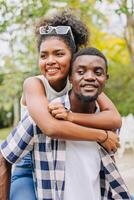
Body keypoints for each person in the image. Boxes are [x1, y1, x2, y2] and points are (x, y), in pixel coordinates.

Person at [0, 11, 121, 200]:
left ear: (73, 58)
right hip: (28, 162)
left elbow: (113, 118)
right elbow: (50, 127)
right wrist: (102, 136)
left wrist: (72, 116)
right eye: (43, 55)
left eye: (58, 54)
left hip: (56, 158)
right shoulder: (34, 84)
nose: (50, 61)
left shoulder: (80, 82)